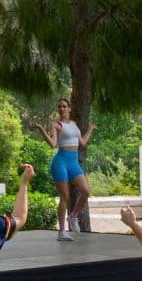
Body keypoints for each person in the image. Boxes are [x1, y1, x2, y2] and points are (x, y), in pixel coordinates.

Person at [30, 97, 96, 240]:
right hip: (60, 162)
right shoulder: (56, 124)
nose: (62, 109)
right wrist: (41, 129)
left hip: (73, 163)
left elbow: (82, 143)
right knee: (64, 197)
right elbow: (53, 144)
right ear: (58, 109)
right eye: (59, 107)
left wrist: (90, 129)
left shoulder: (74, 124)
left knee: (85, 191)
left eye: (64, 106)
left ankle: (73, 217)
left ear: (69, 108)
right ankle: (61, 232)